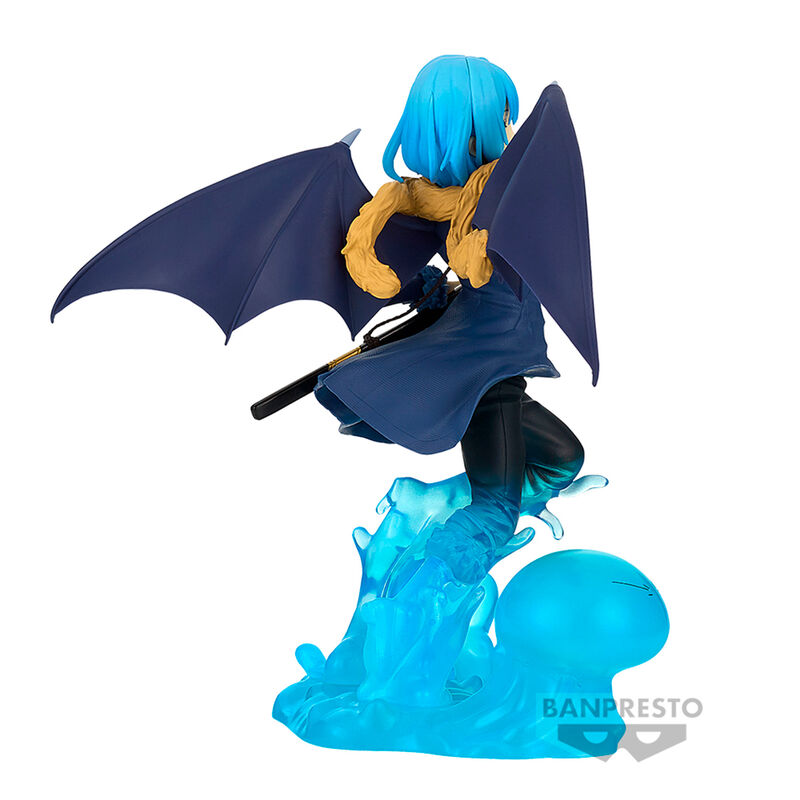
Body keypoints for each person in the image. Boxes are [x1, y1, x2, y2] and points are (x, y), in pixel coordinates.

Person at [314, 55, 585, 583]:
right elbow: (466, 266)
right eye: (502, 119)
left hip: (487, 346)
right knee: (495, 512)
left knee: (563, 458)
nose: (509, 129)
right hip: (487, 367)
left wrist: (429, 289)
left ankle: (440, 502)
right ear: (471, 130)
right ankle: (429, 578)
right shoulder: (488, 198)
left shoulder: (442, 199)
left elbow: (422, 270)